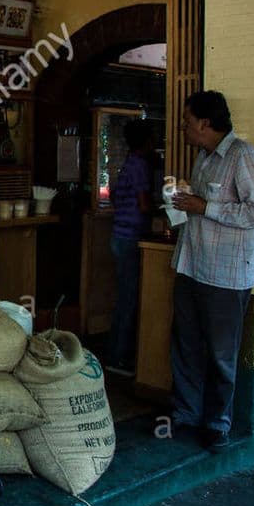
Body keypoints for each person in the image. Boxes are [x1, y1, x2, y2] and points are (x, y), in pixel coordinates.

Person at [169, 91, 254, 452]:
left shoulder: (243, 157)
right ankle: (186, 413)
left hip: (226, 276)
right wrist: (183, 203)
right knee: (186, 344)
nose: (183, 126)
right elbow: (200, 208)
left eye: (187, 120)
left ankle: (217, 423)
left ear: (205, 123)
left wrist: (206, 206)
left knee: (220, 353)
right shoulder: (203, 157)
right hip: (191, 266)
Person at [106, 120, 154, 376]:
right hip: (130, 238)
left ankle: (116, 352)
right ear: (147, 141)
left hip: (118, 235)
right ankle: (117, 357)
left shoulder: (126, 165)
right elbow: (144, 205)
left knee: (125, 296)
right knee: (129, 298)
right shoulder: (140, 166)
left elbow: (114, 197)